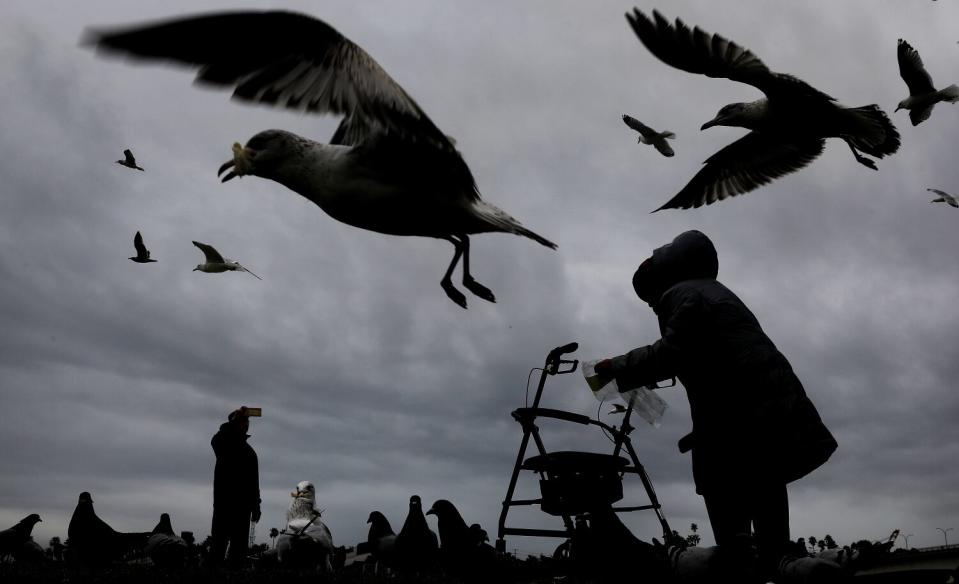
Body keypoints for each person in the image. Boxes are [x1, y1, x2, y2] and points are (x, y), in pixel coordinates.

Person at [594, 230, 837, 579]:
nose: (652, 306)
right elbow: (709, 355)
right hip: (765, 407)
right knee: (764, 480)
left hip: (738, 415)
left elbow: (673, 352)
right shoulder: (715, 293)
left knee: (719, 480)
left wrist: (613, 368)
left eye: (650, 300)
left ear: (667, 275)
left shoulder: (684, 294)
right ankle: (777, 561)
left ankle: (736, 562)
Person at [209, 406, 261, 568]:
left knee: (238, 551)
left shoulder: (250, 453)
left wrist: (256, 506)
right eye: (242, 421)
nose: (246, 424)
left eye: (246, 421)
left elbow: (254, 483)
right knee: (218, 545)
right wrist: (233, 421)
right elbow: (216, 440)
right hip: (224, 504)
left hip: (242, 508)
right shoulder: (224, 444)